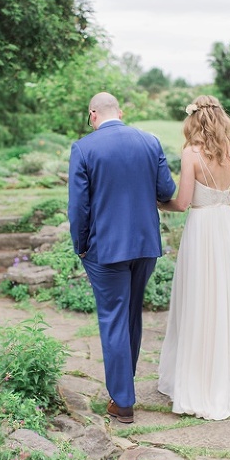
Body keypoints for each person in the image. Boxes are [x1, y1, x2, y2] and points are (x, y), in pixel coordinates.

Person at [157, 95, 230, 420]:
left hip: (202, 228)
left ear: (194, 121)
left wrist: (158, 203)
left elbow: (181, 204)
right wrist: (224, 198)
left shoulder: (191, 154)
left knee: (200, 299)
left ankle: (200, 381)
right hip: (229, 230)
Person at [68, 92, 177, 424]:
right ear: (121, 112)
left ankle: (123, 400)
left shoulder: (84, 148)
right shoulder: (149, 142)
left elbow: (78, 208)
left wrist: (81, 245)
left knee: (113, 318)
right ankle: (123, 386)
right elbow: (166, 191)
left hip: (106, 250)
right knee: (131, 316)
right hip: (145, 246)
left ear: (93, 114)